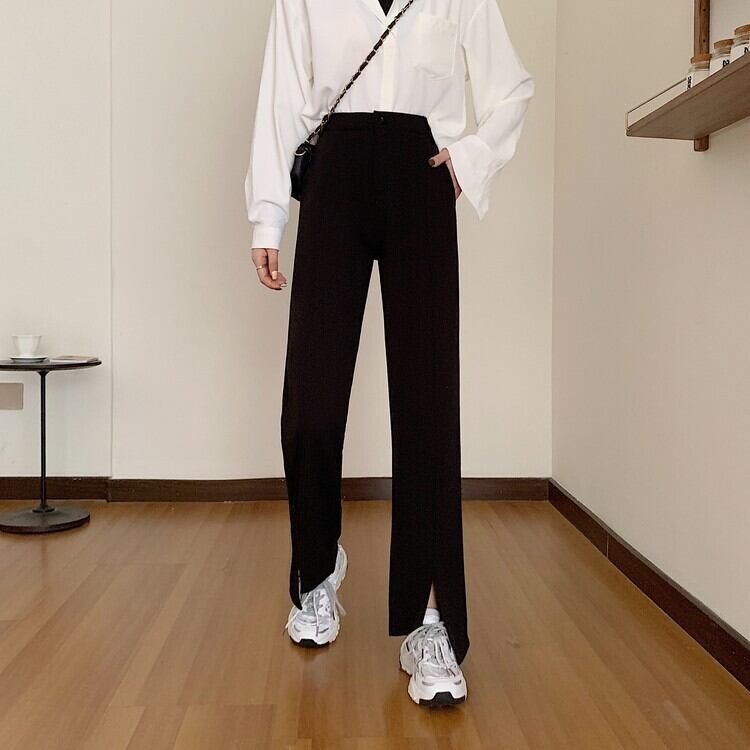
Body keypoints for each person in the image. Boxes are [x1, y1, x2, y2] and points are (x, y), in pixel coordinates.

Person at [245, 0, 534, 707]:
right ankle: (317, 570)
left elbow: (512, 87)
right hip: (334, 176)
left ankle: (432, 621)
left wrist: (468, 159)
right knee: (311, 406)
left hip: (419, 175)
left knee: (427, 406)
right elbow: (281, 93)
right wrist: (268, 216)